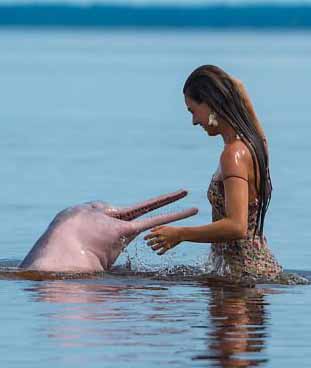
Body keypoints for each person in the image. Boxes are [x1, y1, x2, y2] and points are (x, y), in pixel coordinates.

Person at [144, 64, 283, 282]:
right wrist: (231, 88)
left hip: (240, 279)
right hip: (253, 273)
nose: (194, 121)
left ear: (210, 104)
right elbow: (242, 93)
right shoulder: (254, 145)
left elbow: (237, 226)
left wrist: (180, 234)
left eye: (193, 111)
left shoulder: (233, 156)